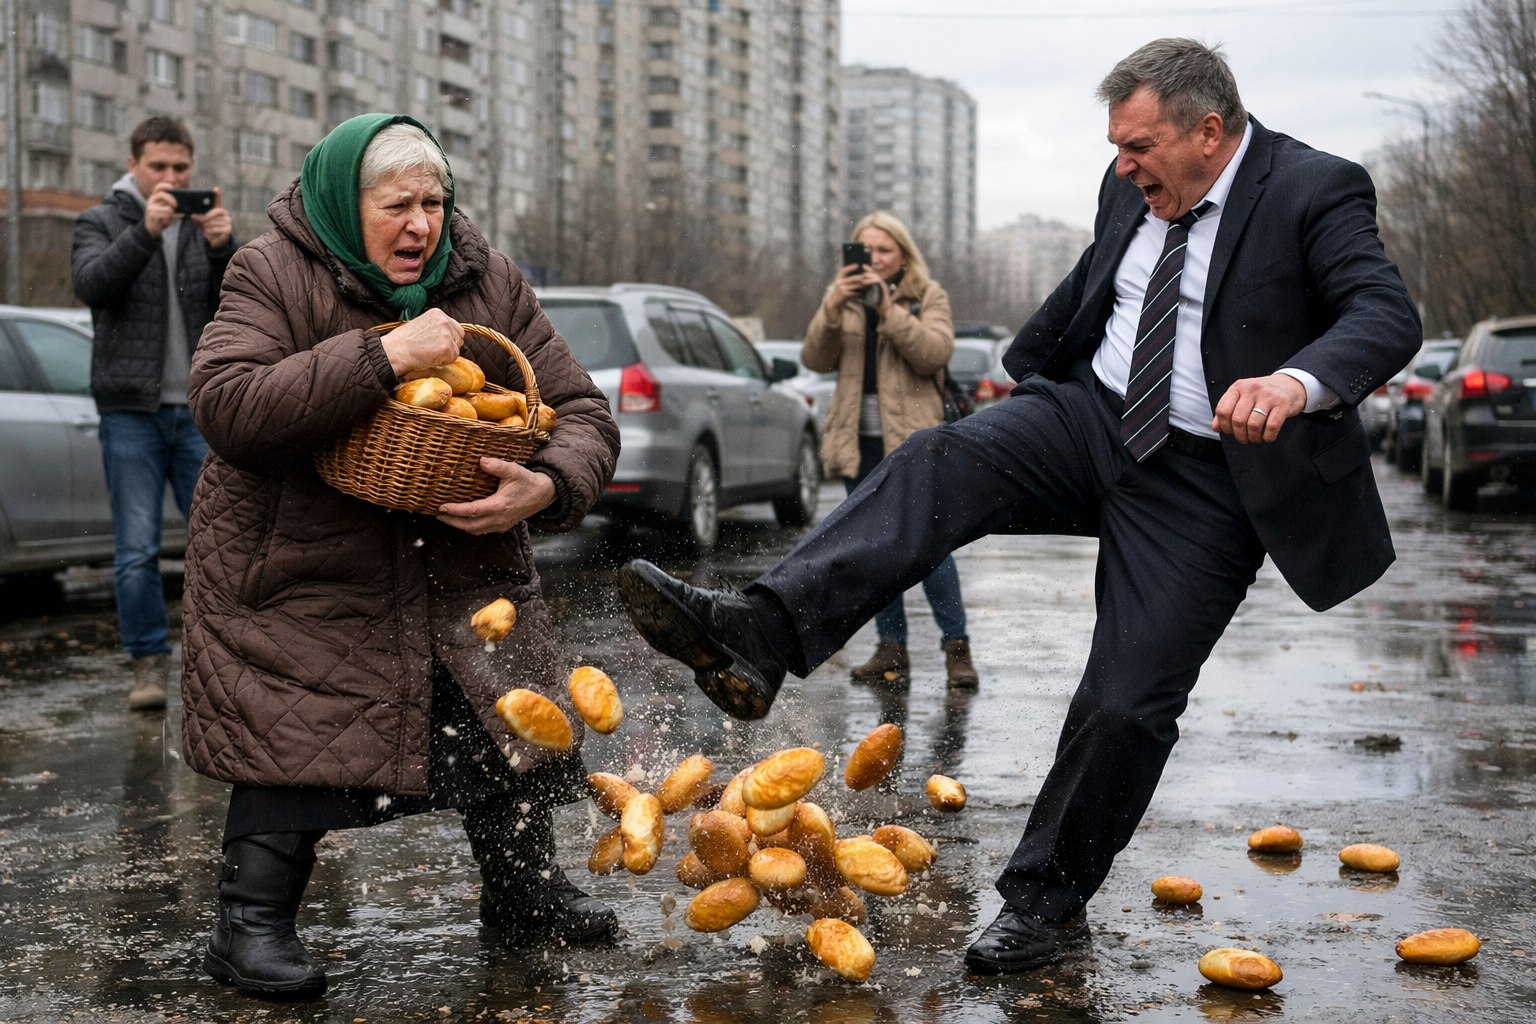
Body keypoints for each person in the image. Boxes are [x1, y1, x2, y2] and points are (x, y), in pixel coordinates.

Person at [616, 38, 1421, 975]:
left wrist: (1294, 382)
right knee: (939, 457)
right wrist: (1029, 371)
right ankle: (762, 633)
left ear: (1210, 132)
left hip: (1206, 479)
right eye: (1116, 147)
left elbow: (1383, 313)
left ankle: (1044, 902)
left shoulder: (1315, 189)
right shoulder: (1130, 185)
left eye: (1141, 147)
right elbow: (1102, 284)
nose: (1124, 166)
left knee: (1126, 704)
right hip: (1092, 419)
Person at [180, 114, 621, 997]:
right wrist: (381, 354)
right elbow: (227, 405)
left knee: (501, 719)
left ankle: (524, 891)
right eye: (397, 206)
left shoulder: (487, 279)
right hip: (304, 564)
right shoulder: (272, 270)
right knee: (296, 728)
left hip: (461, 563)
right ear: (346, 205)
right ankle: (249, 924)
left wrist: (547, 485)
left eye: (435, 202)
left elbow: (581, 411)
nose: (422, 224)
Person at [71, 116, 237, 712]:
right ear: (133, 165)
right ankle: (147, 664)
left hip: (198, 409)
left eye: (180, 167)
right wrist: (145, 232)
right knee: (137, 548)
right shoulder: (100, 221)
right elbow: (92, 285)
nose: (170, 177)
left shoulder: (199, 226)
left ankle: (220, 663)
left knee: (220, 542)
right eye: (158, 166)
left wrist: (224, 248)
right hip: (130, 411)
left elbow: (238, 303)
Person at [804, 211, 979, 688]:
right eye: (867, 250)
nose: (875, 259)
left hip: (913, 442)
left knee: (931, 546)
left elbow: (934, 353)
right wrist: (832, 304)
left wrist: (887, 310)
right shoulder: (843, 299)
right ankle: (891, 648)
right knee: (874, 551)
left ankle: (957, 648)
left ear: (903, 254)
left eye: (884, 250)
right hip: (857, 441)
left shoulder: (926, 295)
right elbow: (815, 358)